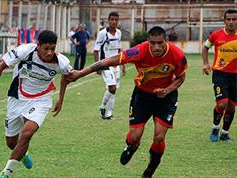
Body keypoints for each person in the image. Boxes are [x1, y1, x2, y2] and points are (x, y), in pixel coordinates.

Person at [66, 26, 188, 178]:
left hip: (166, 98)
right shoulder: (139, 51)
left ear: (166, 41)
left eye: (160, 43)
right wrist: (81, 73)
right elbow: (109, 61)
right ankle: (131, 147)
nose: (156, 47)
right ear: (148, 42)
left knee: (159, 136)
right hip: (142, 95)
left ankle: (149, 172)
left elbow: (181, 78)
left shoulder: (177, 55)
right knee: (135, 137)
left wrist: (167, 90)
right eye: (153, 43)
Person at [0, 30, 72, 178]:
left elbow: (66, 77)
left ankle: (6, 173)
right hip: (17, 97)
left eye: (52, 48)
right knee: (11, 143)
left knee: (27, 132)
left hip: (41, 100)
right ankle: (23, 154)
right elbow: (0, 66)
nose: (49, 53)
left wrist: (61, 99)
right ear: (38, 45)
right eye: (45, 48)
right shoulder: (24, 51)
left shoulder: (61, 62)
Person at [202, 9, 237, 142]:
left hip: (235, 76)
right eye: (228, 19)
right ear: (224, 20)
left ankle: (224, 133)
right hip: (220, 74)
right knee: (222, 104)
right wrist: (205, 64)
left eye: (234, 19)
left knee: (231, 107)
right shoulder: (216, 35)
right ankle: (215, 128)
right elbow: (205, 47)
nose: (231, 22)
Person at [94, 11, 125, 120]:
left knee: (114, 89)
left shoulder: (119, 33)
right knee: (112, 88)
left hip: (116, 64)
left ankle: (109, 113)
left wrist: (123, 65)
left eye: (116, 20)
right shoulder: (102, 33)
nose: (114, 22)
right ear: (108, 20)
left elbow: (119, 49)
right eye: (112, 19)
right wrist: (98, 66)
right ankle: (103, 106)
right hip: (105, 64)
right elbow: (96, 50)